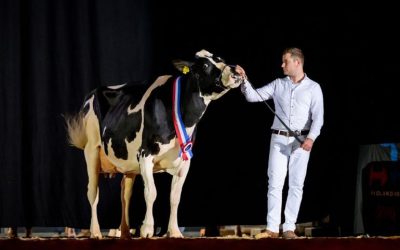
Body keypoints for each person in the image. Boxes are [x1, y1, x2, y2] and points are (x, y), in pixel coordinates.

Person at [236, 47, 324, 239]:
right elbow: (253, 96)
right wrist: (244, 79)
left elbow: (318, 118)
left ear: (297, 62)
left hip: (301, 141)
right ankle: (272, 228)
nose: (282, 64)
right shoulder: (278, 84)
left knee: (296, 185)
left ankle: (289, 227)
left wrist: (311, 138)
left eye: (285, 61)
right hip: (278, 139)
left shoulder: (313, 88)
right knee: (274, 183)